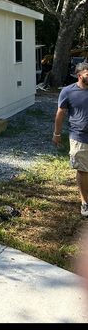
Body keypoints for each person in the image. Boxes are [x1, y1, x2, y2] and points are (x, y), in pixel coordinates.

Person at [53, 60, 88, 217]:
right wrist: (57, 133)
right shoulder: (68, 91)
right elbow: (60, 113)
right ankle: (84, 202)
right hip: (79, 136)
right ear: (80, 75)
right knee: (82, 170)